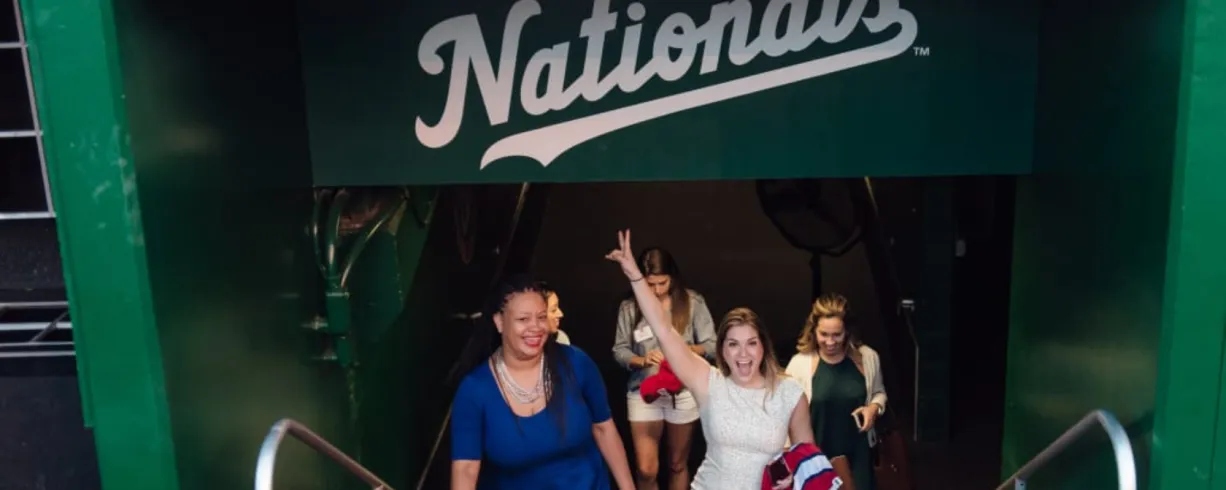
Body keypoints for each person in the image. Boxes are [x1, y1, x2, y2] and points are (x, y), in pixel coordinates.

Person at [605, 230, 815, 490]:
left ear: (764, 346)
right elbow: (663, 329)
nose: (743, 353)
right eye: (733, 344)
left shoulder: (789, 392)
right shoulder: (709, 382)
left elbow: (808, 459)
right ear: (722, 350)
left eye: (751, 343)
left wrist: (793, 474)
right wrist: (635, 277)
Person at [449, 274, 635, 490]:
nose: (536, 327)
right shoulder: (475, 389)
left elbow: (604, 429)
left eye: (541, 317)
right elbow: (466, 468)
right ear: (499, 322)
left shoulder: (576, 362)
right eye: (523, 319)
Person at [611, 247, 717, 490]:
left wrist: (682, 351)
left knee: (677, 464)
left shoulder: (691, 302)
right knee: (646, 469)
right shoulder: (630, 307)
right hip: (643, 390)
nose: (657, 290)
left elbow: (712, 345)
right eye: (650, 285)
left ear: (673, 278)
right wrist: (642, 360)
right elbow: (619, 350)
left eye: (662, 283)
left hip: (683, 392)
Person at [784, 293, 887, 490]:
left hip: (859, 457)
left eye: (837, 335)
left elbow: (879, 393)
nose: (830, 342)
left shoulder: (867, 358)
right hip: (816, 460)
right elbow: (784, 415)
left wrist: (873, 408)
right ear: (813, 331)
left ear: (847, 331)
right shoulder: (799, 365)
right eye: (824, 334)